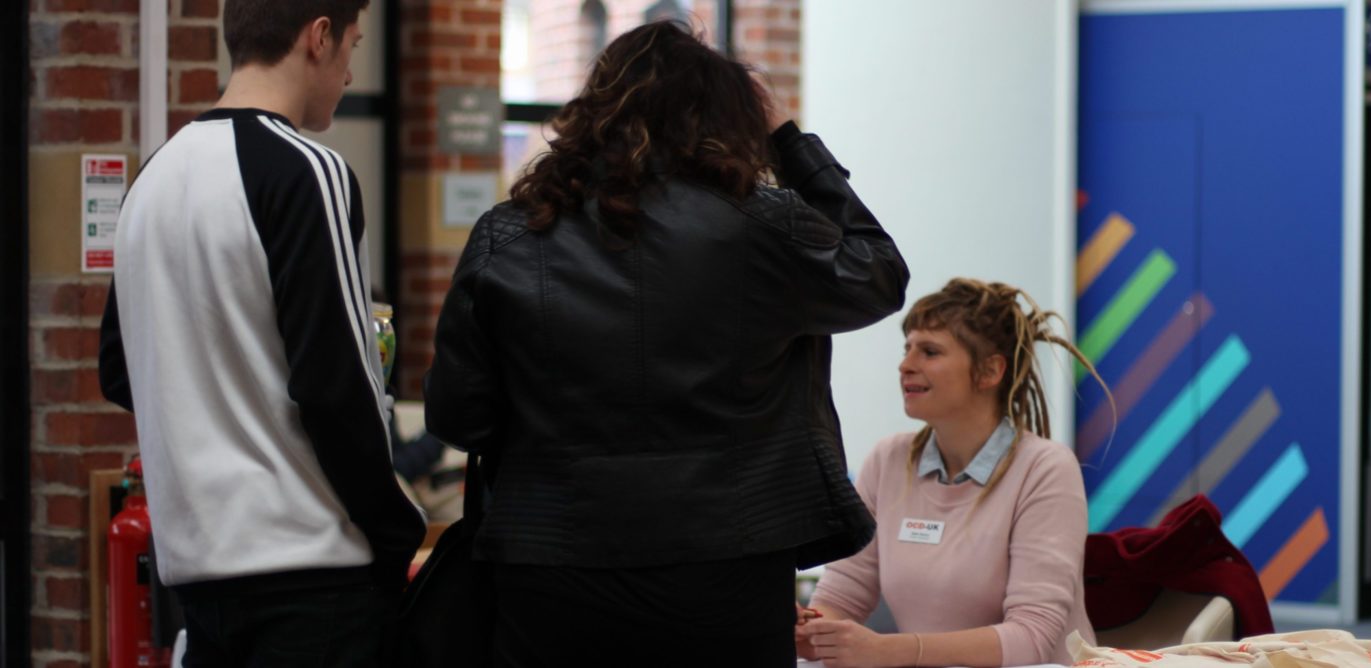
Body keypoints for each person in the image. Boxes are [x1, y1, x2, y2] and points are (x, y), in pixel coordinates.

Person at [423, 21, 909, 667]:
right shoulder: (761, 228)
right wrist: (791, 142)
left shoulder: (506, 237)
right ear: (727, 119)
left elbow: (459, 415)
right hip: (728, 562)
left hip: (553, 562)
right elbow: (877, 272)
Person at [98, 1, 424, 665]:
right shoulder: (311, 169)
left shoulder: (152, 178)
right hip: (310, 580)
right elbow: (336, 387)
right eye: (354, 47)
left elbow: (118, 368)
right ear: (319, 37)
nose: (352, 73)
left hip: (197, 578)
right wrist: (396, 533)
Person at [796, 278, 1112, 667]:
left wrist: (890, 651)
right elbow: (842, 598)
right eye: (907, 348)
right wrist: (811, 630)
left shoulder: (1045, 469)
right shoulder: (887, 460)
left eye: (929, 351)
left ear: (989, 371)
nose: (906, 364)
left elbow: (1032, 639)